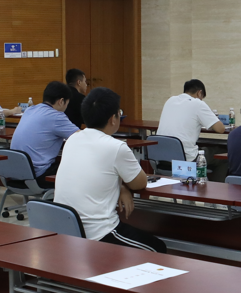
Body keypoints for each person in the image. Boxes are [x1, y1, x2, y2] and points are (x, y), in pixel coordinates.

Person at [54, 87, 166, 252]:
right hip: (98, 233)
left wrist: (121, 186)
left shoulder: (72, 139)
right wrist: (124, 186)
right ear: (113, 119)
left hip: (66, 230)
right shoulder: (116, 147)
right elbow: (140, 183)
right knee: (158, 249)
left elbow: (98, 175)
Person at [9, 81, 79, 183]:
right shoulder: (56, 116)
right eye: (67, 104)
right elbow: (81, 137)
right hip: (36, 176)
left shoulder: (29, 110)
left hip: (13, 174)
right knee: (76, 166)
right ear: (61, 101)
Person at [157, 79, 226, 161]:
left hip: (161, 156)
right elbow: (220, 129)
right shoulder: (198, 103)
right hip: (185, 157)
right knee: (223, 154)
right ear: (199, 93)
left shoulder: (170, 100)